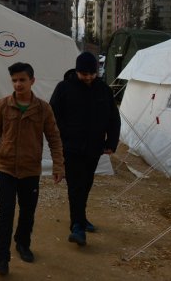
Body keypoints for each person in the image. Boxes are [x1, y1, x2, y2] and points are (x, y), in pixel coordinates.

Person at [0, 62, 64, 276]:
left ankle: (22, 243)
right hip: (6, 168)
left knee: (28, 211)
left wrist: (59, 164)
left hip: (30, 170)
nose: (18, 84)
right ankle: (1, 259)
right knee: (5, 213)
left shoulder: (43, 108)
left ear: (32, 81)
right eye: (14, 80)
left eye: (22, 80)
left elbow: (54, 138)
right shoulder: (2, 106)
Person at [49, 51, 120, 247]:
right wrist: (60, 140)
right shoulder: (64, 88)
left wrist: (111, 143)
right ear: (77, 71)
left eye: (91, 73)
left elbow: (114, 118)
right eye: (84, 73)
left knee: (86, 183)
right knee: (75, 186)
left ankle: (81, 217)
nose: (88, 77)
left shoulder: (103, 89)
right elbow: (52, 116)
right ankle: (77, 226)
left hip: (94, 147)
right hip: (70, 147)